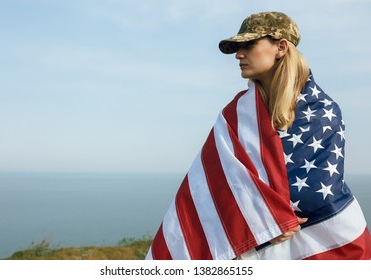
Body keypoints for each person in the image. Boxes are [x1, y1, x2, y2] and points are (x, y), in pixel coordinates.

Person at [146, 11, 371, 260]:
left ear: (281, 47)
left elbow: (318, 190)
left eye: (249, 44)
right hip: (260, 242)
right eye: (238, 47)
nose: (238, 54)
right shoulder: (234, 116)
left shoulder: (322, 110)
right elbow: (211, 186)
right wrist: (264, 223)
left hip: (320, 243)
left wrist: (272, 221)